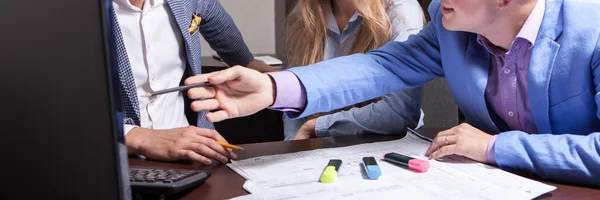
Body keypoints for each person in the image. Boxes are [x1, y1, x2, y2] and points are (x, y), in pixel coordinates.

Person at [184, 0, 600, 186]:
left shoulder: (593, 29)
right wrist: (274, 86)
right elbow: (384, 65)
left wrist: (496, 148)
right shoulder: (450, 26)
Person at [111, 0, 274, 165]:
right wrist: (137, 138)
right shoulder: (87, 13)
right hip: (115, 162)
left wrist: (284, 82)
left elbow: (245, 60)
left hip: (191, 155)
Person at [284, 0, 426, 140]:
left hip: (388, 142)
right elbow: (294, 101)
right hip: (318, 143)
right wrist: (293, 145)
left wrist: (318, 126)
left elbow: (400, 112)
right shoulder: (305, 12)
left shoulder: (402, 11)